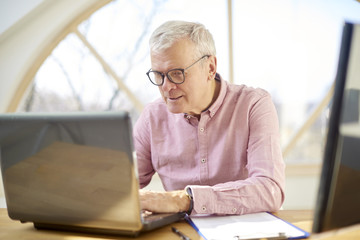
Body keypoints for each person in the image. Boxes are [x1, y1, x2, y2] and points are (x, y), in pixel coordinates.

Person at [133, 20, 285, 215]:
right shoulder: (152, 117)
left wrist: (185, 200)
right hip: (181, 233)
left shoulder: (253, 105)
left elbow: (270, 190)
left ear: (210, 68)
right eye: (158, 75)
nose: (166, 87)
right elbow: (119, 185)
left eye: (176, 74)